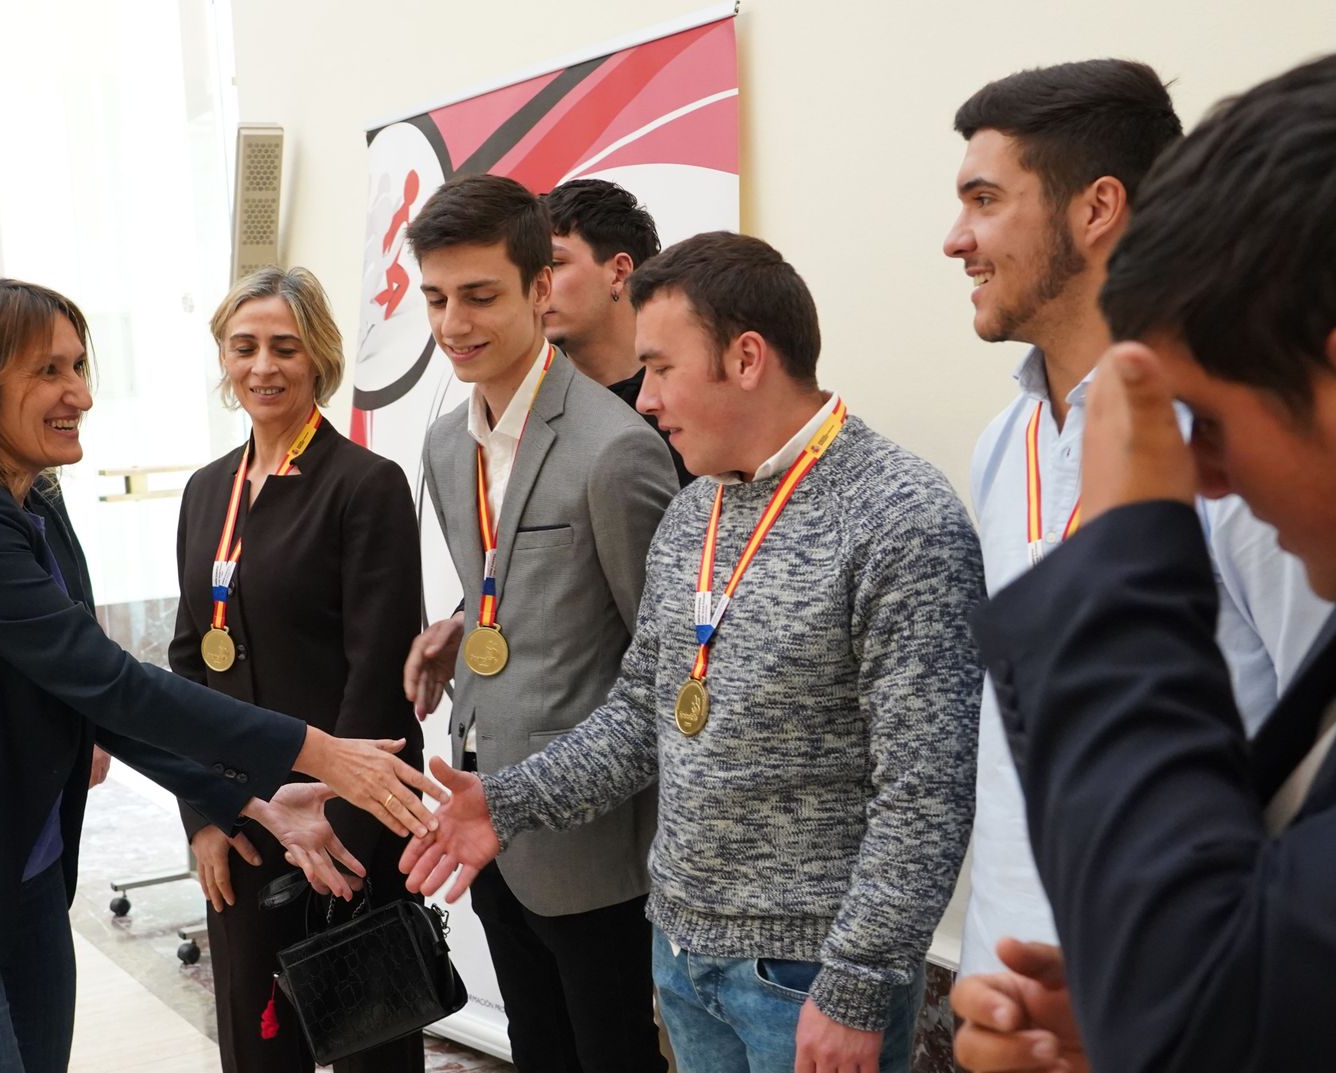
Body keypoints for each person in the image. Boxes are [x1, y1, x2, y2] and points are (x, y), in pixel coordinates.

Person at [0, 272, 444, 1073]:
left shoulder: (25, 502)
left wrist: (246, 800)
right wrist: (318, 752)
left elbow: (82, 693)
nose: (82, 394)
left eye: (79, 366)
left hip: (19, 870)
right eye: (50, 371)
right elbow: (108, 679)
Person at [404, 231, 986, 1073]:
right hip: (683, 955)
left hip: (807, 979)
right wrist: (509, 801)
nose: (644, 400)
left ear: (746, 358)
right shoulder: (696, 511)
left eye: (661, 368)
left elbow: (925, 790)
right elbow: (643, 711)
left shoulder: (901, 518)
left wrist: (857, 985)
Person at [953, 53, 1336, 1071]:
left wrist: (1177, 978)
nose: (955, 237)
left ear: (1096, 209)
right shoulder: (1000, 441)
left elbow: (1304, 781)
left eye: (984, 199)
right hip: (1046, 982)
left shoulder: (1256, 457)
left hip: (1198, 979)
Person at [401, 173, 678, 1073]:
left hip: (594, 835)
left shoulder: (618, 446)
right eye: (437, 298)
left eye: (480, 295)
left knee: (613, 1055)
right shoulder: (445, 444)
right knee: (537, 1050)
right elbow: (502, 587)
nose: (454, 323)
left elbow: (662, 661)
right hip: (482, 805)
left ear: (538, 287)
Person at [170, 266, 425, 1073]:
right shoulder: (206, 491)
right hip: (245, 821)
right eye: (243, 346)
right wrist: (205, 813)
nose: (263, 366)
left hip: (349, 824)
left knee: (371, 1048)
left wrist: (337, 829)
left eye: (284, 346)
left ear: (319, 357)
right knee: (258, 1046)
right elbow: (187, 664)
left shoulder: (364, 485)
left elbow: (378, 676)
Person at [542, 178, 693, 485]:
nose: (536, 287)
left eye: (554, 264)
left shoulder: (696, 398)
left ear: (619, 272)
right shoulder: (528, 407)